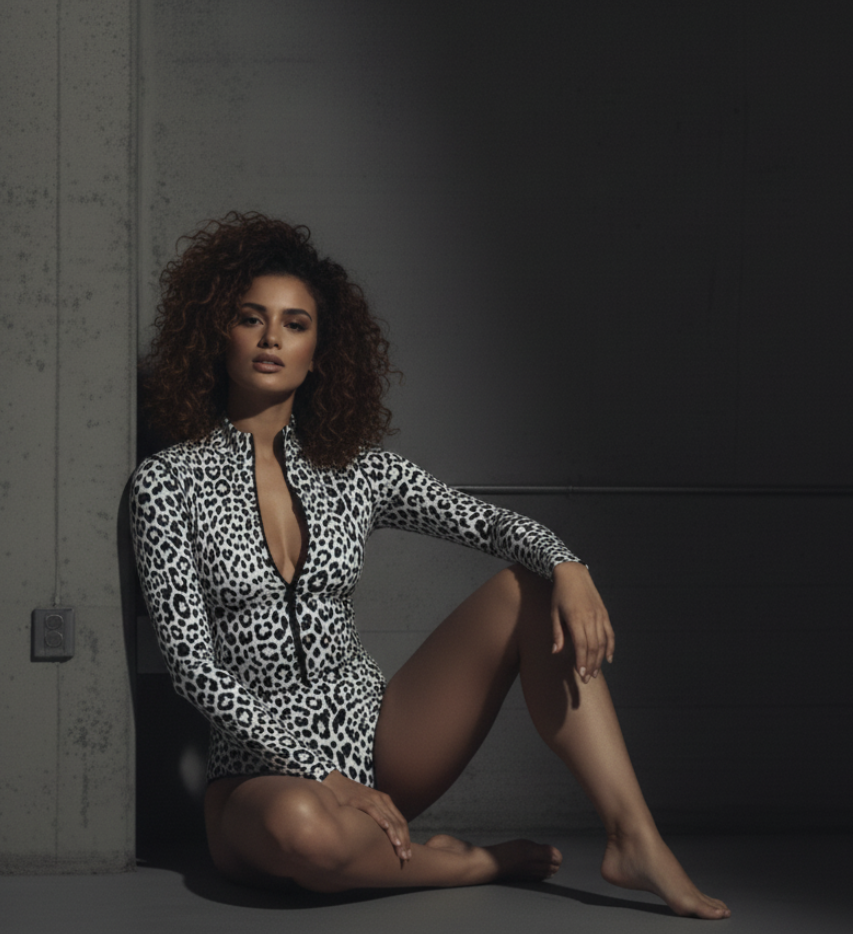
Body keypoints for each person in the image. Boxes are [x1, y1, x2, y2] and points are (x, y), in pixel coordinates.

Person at [131, 212, 729, 918]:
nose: (270, 339)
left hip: (381, 743)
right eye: (251, 318)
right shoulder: (167, 484)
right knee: (306, 834)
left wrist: (569, 565)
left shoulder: (356, 472)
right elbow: (193, 667)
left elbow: (487, 522)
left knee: (529, 591)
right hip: (261, 780)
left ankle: (634, 838)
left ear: (320, 350)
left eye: (294, 324)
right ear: (217, 332)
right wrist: (323, 775)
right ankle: (473, 863)